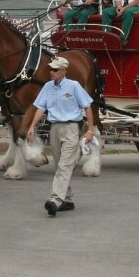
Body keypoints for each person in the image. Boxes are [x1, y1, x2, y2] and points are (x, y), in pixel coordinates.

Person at [26, 57, 94, 217]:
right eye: (51, 69)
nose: (52, 72)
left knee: (64, 166)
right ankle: (68, 200)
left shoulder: (74, 86)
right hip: (54, 129)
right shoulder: (48, 87)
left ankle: (55, 200)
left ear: (64, 71)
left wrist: (90, 130)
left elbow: (88, 107)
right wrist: (32, 126)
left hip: (71, 128)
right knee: (59, 166)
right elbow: (40, 108)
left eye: (55, 70)